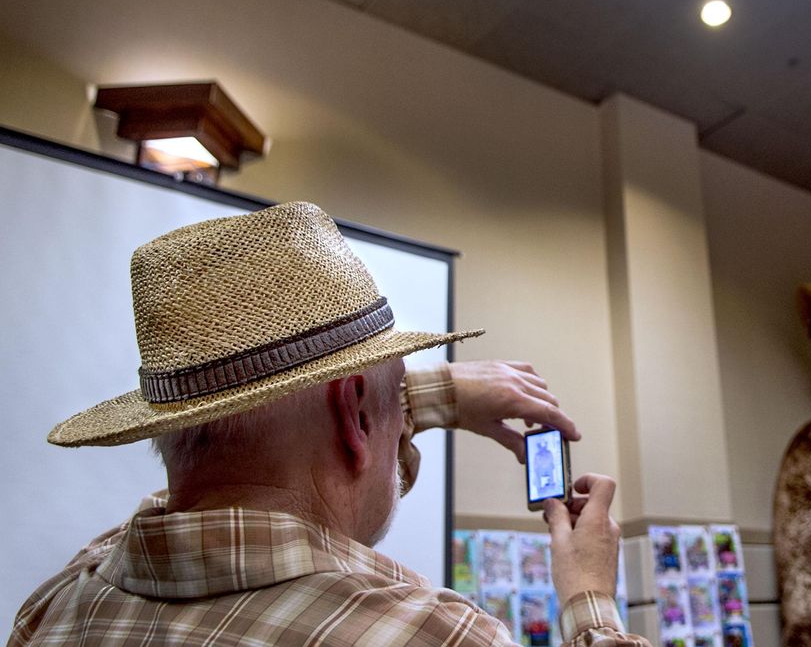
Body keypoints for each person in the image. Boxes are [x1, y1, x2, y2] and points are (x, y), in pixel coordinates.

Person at [10, 201, 650, 647]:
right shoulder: (433, 636)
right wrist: (590, 599)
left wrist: (408, 398)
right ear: (354, 414)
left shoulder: (61, 602)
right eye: (392, 399)